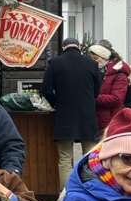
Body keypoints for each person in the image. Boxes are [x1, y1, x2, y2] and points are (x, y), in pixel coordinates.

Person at [41, 38, 101, 188]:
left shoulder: (55, 63)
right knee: (89, 158)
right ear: (79, 47)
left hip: (64, 115)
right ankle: (90, 191)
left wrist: (57, 103)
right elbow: (98, 90)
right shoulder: (91, 63)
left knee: (65, 158)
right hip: (87, 116)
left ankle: (66, 194)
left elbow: (46, 90)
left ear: (63, 47)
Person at [88, 43, 131, 130]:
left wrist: (92, 98)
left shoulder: (120, 74)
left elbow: (117, 99)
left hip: (109, 120)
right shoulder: (101, 72)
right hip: (98, 119)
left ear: (105, 58)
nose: (93, 62)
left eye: (96, 58)